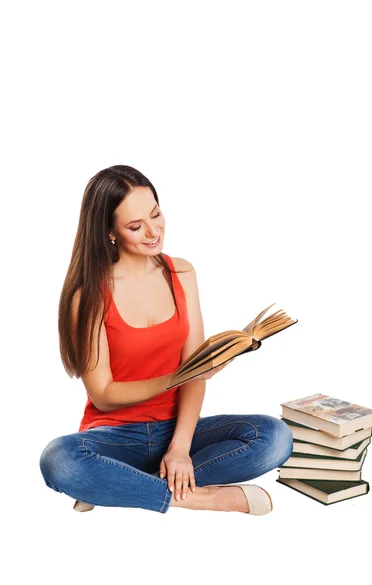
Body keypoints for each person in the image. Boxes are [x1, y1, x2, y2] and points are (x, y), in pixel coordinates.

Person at [39, 165, 293, 516]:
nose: (152, 231)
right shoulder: (88, 296)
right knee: (59, 460)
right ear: (109, 232)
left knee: (274, 436)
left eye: (156, 215)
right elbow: (104, 394)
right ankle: (195, 497)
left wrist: (180, 449)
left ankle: (119, 485)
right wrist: (175, 378)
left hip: (178, 430)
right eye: (134, 226)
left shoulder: (182, 273)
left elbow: (196, 374)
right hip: (114, 438)